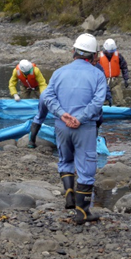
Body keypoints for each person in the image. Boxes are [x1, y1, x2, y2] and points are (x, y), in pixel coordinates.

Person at [42, 33, 106, 225]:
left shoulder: (59, 72)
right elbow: (98, 102)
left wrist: (62, 114)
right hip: (84, 127)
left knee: (65, 159)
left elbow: (47, 97)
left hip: (61, 125)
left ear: (74, 52)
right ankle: (83, 212)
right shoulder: (98, 75)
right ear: (94, 56)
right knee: (86, 166)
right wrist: (80, 118)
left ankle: (69, 192)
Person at [100, 39, 129, 106]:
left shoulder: (118, 56)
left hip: (115, 81)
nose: (111, 53)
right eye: (109, 51)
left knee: (120, 102)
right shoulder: (99, 57)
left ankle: (120, 111)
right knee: (103, 102)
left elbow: (124, 67)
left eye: (112, 51)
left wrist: (126, 79)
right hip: (103, 81)